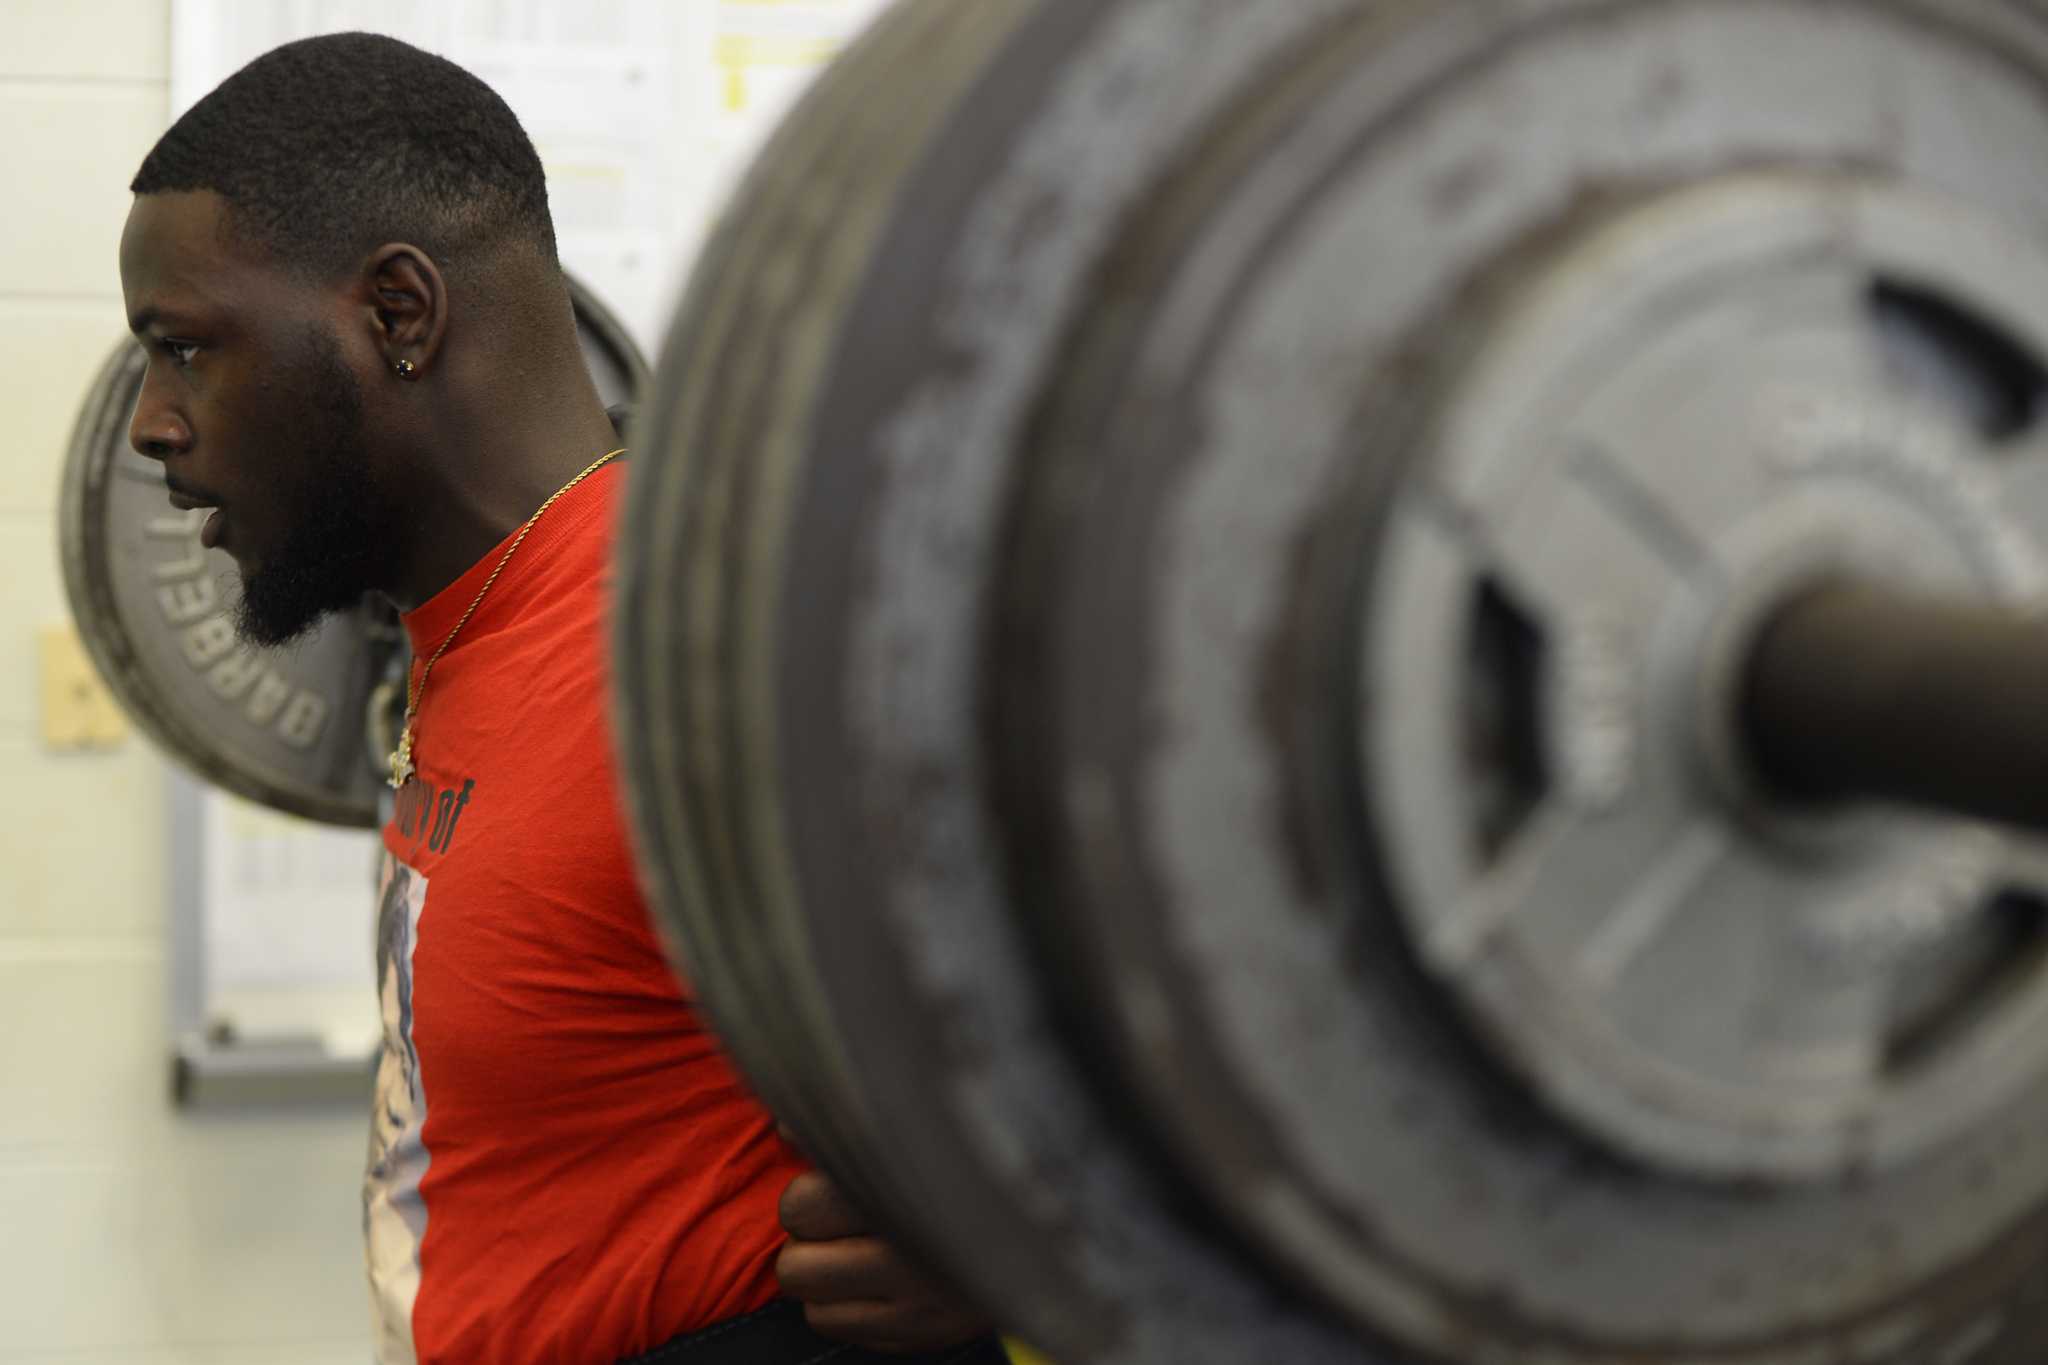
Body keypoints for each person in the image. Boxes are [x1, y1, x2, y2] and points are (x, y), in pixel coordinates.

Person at [118, 31, 998, 1365]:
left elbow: (1182, 1001)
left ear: (399, 315)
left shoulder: (715, 662)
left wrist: (1018, 1260)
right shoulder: (468, 628)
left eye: (187, 349)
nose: (148, 423)